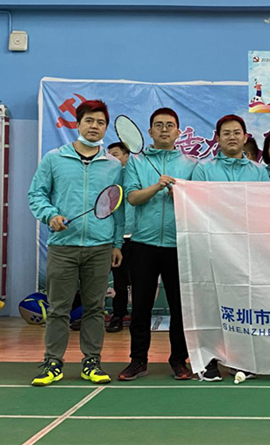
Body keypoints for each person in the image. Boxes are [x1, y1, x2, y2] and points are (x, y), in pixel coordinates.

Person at [28, 100, 124, 386]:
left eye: (100, 122)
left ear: (105, 128)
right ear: (78, 123)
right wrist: (50, 215)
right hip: (63, 246)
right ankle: (52, 363)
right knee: (58, 308)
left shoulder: (113, 165)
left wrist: (116, 243)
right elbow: (37, 194)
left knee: (95, 308)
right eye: (89, 121)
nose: (94, 126)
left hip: (100, 247)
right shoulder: (54, 158)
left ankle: (91, 362)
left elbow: (117, 207)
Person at [118, 108, 198, 381]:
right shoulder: (137, 163)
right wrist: (157, 186)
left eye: (170, 125)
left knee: (179, 307)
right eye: (159, 125)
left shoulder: (192, 165)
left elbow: (197, 202)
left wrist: (179, 194)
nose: (164, 129)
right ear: (150, 131)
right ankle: (138, 360)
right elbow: (132, 198)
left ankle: (179, 361)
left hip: (179, 245)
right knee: (141, 307)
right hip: (143, 244)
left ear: (178, 132)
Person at [192, 114, 268, 381]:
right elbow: (197, 206)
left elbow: (265, 208)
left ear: (245, 137)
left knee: (244, 304)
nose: (232, 137)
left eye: (237, 132)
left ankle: (242, 360)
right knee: (211, 305)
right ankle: (209, 359)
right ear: (218, 138)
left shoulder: (259, 172)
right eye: (226, 133)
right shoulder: (203, 169)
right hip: (212, 247)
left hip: (246, 248)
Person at [106, 141, 134, 333]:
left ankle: (139, 316)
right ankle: (118, 315)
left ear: (126, 156)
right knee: (119, 281)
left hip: (139, 237)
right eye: (109, 155)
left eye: (115, 154)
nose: (112, 159)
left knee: (140, 281)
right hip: (118, 238)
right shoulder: (109, 179)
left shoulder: (137, 175)